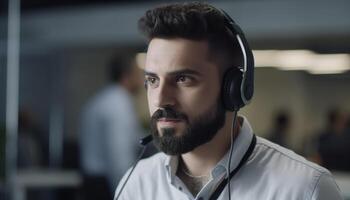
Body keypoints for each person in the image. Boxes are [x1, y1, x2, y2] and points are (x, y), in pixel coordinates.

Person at [114, 2, 342, 200]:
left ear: (232, 88)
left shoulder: (305, 189)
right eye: (152, 80)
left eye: (183, 79)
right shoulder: (137, 183)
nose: (161, 99)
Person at [80, 55, 143, 199]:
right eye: (138, 74)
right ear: (126, 76)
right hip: (106, 183)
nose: (142, 79)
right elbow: (119, 157)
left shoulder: (103, 99)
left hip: (95, 180)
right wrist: (127, 193)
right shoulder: (118, 104)